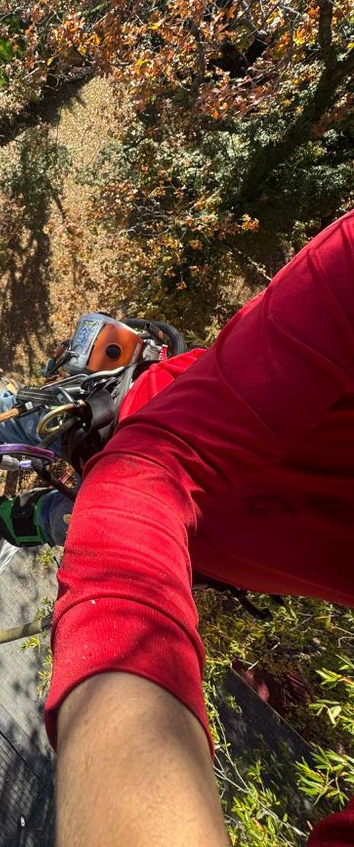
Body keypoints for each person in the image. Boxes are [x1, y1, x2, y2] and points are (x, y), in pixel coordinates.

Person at [45, 210, 354, 845]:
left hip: (172, 531)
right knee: (35, 445)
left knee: (45, 513)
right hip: (129, 434)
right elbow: (162, 457)